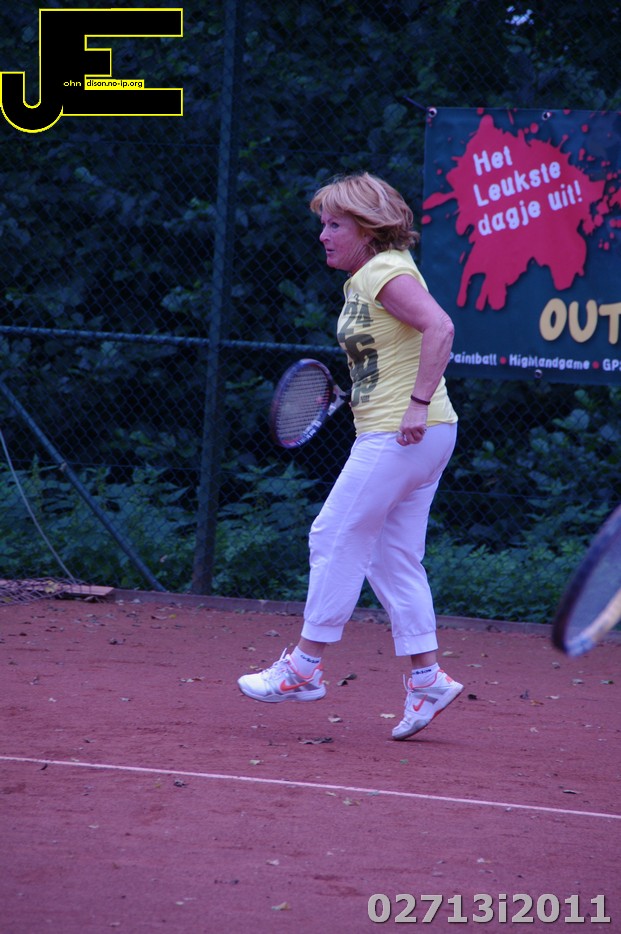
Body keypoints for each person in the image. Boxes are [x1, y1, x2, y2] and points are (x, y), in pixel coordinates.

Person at [238, 172, 463, 740]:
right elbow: (392, 351)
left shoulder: (383, 272)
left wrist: (415, 404)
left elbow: (440, 327)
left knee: (333, 534)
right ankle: (427, 679)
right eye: (323, 224)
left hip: (402, 434)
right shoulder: (373, 275)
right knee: (392, 557)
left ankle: (303, 667)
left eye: (335, 224)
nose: (324, 235)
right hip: (422, 433)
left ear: (368, 228)